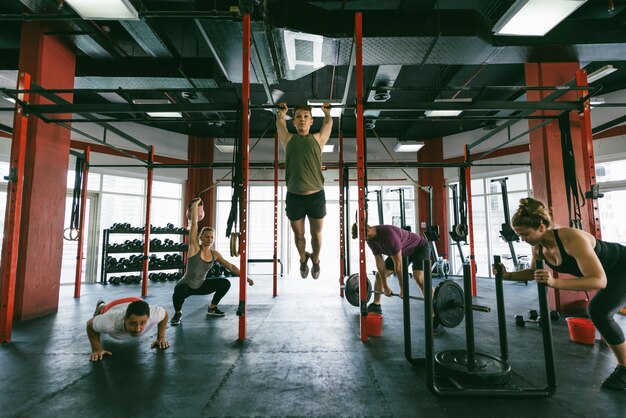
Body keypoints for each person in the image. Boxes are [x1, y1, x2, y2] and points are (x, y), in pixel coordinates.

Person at [493, 197, 626, 391]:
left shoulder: (571, 238)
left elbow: (599, 280)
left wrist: (554, 282)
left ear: (540, 227)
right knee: (599, 311)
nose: (523, 239)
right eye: (519, 235)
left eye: (525, 234)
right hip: (611, 273)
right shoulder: (538, 247)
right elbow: (532, 273)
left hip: (622, 267)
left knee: (599, 311)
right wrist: (507, 275)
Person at [170, 198, 254, 326]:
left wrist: (245, 277)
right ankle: (178, 313)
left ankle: (212, 307)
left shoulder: (215, 254)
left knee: (224, 283)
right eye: (206, 237)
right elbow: (194, 225)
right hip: (187, 285)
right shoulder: (194, 248)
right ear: (200, 238)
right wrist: (196, 206)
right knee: (179, 290)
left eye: (211, 237)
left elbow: (230, 266)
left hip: (201, 285)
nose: (209, 239)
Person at [352, 223, 444, 334]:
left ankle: (436, 315)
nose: (364, 240)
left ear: (368, 230)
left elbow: (399, 267)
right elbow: (379, 262)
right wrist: (385, 287)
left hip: (419, 247)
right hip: (401, 252)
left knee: (419, 278)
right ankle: (376, 304)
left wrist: (403, 289)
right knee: (379, 276)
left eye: (363, 237)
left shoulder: (388, 235)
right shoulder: (369, 239)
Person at [276, 102, 333, 279]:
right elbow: (280, 125)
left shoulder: (317, 139)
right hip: (294, 196)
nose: (302, 120)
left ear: (311, 121)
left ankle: (315, 260)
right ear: (294, 122)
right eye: (299, 117)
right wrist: (281, 114)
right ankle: (303, 259)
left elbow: (328, 125)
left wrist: (327, 113)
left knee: (315, 234)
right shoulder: (288, 139)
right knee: (299, 234)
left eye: (305, 117)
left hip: (316, 195)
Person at [86, 297, 168, 362]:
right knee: (102, 311)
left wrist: (160, 338)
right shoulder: (110, 322)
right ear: (125, 319)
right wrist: (96, 349)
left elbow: (165, 314)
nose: (137, 329)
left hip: (136, 300)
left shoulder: (154, 314)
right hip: (113, 306)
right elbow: (90, 325)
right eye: (133, 323)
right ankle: (101, 306)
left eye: (142, 323)